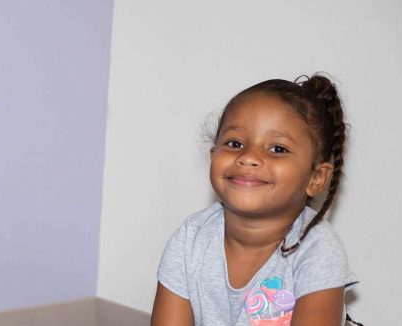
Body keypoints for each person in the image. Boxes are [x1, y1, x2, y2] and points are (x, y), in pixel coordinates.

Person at [151, 74, 358, 325]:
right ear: (213, 154)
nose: (249, 157)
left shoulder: (318, 250)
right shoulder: (190, 240)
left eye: (277, 149)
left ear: (316, 177)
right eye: (235, 143)